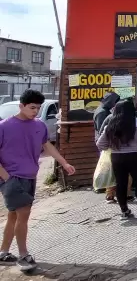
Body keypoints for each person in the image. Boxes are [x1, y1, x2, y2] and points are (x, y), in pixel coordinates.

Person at [0, 90, 76, 272]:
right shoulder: (4, 126)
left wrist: (64, 163)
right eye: (32, 107)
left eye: (38, 108)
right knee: (23, 215)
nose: (35, 111)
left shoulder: (39, 126)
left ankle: (3, 252)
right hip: (13, 177)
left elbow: (47, 145)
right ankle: (23, 256)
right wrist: (7, 178)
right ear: (21, 106)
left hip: (31, 176)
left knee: (14, 216)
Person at [97, 100, 137, 219]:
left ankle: (124, 210)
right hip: (136, 156)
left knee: (120, 183)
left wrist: (111, 147)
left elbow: (100, 144)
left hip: (116, 157)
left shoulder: (110, 124)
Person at [93, 92, 121, 203]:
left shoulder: (102, 110)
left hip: (106, 143)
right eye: (115, 102)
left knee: (110, 169)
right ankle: (109, 194)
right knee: (109, 169)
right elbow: (103, 129)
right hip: (106, 144)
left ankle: (109, 193)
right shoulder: (102, 112)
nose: (115, 104)